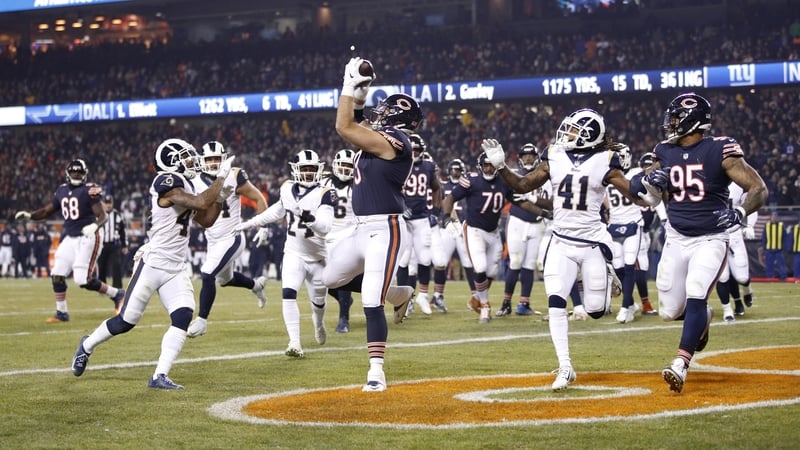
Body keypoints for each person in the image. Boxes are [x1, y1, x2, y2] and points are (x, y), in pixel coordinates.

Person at [481, 108, 653, 390]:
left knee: (596, 310)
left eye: (574, 130)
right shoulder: (555, 155)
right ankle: (565, 366)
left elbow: (634, 195)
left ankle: (607, 272)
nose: (567, 134)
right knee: (556, 301)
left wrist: (650, 192)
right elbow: (523, 184)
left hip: (592, 242)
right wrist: (501, 167)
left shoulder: (605, 160)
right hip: (561, 241)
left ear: (589, 135)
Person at [71, 138, 235, 389]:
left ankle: (160, 375)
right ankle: (87, 345)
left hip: (176, 266)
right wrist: (220, 179)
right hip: (154, 262)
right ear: (171, 162)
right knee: (126, 321)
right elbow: (201, 202)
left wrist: (220, 197)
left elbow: (206, 220)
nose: (192, 161)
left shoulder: (189, 183)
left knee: (183, 315)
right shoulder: (165, 181)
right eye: (185, 157)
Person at [639, 92, 768, 393]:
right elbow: (647, 193)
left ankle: (681, 363)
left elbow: (758, 188)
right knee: (669, 311)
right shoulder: (663, 151)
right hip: (676, 237)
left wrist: (740, 212)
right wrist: (648, 183)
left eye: (676, 118)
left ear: (692, 120)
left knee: (697, 291)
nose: (671, 124)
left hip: (711, 237)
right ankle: (704, 318)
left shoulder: (720, 149)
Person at [322, 57, 420, 392]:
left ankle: (376, 372)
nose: (380, 114)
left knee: (369, 302)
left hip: (385, 229)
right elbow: (358, 120)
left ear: (397, 117)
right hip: (361, 228)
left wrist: (348, 85)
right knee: (329, 279)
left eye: (386, 110)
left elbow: (345, 127)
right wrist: (361, 93)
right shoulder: (383, 135)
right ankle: (398, 293)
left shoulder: (398, 141)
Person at [234, 149, 334, 358]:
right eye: (305, 169)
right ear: (296, 170)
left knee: (318, 302)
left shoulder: (325, 192)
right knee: (288, 294)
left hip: (318, 257)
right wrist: (251, 223)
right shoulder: (287, 188)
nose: (308, 173)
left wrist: (310, 219)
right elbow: (276, 211)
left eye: (312, 169)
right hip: (294, 252)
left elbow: (325, 227)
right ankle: (294, 343)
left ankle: (318, 323)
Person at [441, 151, 550, 324]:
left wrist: (543, 213)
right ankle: (485, 306)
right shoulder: (471, 180)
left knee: (491, 272)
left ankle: (477, 298)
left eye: (491, 165)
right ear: (480, 166)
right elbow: (451, 197)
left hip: (493, 232)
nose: (488, 169)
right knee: (481, 267)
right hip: (474, 230)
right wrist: (446, 217)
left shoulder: (504, 182)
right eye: (485, 165)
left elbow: (521, 202)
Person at [15, 159, 125, 322]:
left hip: (88, 237)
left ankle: (117, 294)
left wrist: (94, 226)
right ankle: (62, 312)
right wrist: (30, 216)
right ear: (68, 173)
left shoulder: (89, 190)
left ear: (85, 174)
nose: (76, 174)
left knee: (82, 279)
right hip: (70, 238)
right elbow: (46, 211)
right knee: (57, 274)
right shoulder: (61, 190)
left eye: (79, 172)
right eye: (74, 172)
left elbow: (103, 216)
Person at [186, 141, 269, 338]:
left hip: (232, 236)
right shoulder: (194, 180)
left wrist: (263, 226)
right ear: (202, 161)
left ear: (223, 159)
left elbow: (259, 198)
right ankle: (256, 285)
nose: (214, 163)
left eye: (217, 159)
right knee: (225, 280)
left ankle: (202, 321)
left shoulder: (234, 175)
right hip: (212, 239)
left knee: (207, 273)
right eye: (209, 159)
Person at [497, 143, 553, 317]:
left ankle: (524, 303)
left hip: (537, 224)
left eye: (531, 155)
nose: (528, 158)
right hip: (517, 221)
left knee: (529, 265)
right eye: (525, 155)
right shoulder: (515, 175)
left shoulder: (545, 176)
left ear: (537, 158)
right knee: (515, 262)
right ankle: (506, 303)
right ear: (520, 158)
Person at [397, 133, 443, 316]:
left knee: (425, 258)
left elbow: (437, 188)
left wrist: (436, 212)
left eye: (417, 150)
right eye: (412, 149)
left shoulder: (428, 167)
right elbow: (390, 188)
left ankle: (422, 295)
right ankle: (403, 300)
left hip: (422, 219)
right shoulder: (399, 164)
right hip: (403, 220)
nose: (414, 153)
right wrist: (400, 207)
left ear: (422, 151)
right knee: (404, 260)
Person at [605, 144, 647, 324]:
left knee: (629, 265)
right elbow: (604, 198)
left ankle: (625, 308)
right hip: (614, 225)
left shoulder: (637, 173)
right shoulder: (607, 174)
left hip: (633, 224)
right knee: (618, 268)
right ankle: (630, 303)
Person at [431, 158, 476, 308]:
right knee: (441, 262)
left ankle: (476, 296)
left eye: (458, 170)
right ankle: (438, 296)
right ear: (449, 171)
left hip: (464, 228)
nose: (455, 173)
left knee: (468, 262)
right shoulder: (443, 186)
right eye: (453, 170)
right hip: (448, 228)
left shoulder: (468, 186)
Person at [322, 148, 358, 333]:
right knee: (320, 278)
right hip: (325, 234)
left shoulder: (358, 185)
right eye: (342, 165)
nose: (345, 169)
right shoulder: (323, 182)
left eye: (349, 166)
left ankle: (344, 318)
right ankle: (344, 300)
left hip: (347, 234)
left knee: (343, 276)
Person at [715, 181, 758, 321]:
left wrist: (750, 225)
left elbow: (752, 202)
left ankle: (747, 289)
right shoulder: (707, 180)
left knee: (742, 277)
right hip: (714, 235)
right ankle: (727, 309)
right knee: (722, 276)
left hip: (734, 235)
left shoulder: (739, 182)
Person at [97, 195, 128, 290]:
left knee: (116, 266)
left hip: (114, 245)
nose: (108, 205)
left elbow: (122, 231)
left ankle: (117, 288)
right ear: (103, 204)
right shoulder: (99, 214)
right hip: (102, 245)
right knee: (101, 267)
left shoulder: (118, 215)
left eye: (109, 203)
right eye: (106, 203)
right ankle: (102, 288)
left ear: (112, 203)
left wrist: (124, 245)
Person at [760, 211, 788, 281]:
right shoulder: (767, 225)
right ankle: (770, 277)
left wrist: (784, 247)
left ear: (777, 217)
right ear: (770, 217)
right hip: (769, 249)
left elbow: (785, 237)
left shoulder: (781, 225)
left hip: (779, 249)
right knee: (769, 265)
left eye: (775, 217)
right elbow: (764, 237)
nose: (774, 218)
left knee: (781, 264)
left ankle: (783, 277)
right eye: (772, 216)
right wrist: (763, 247)